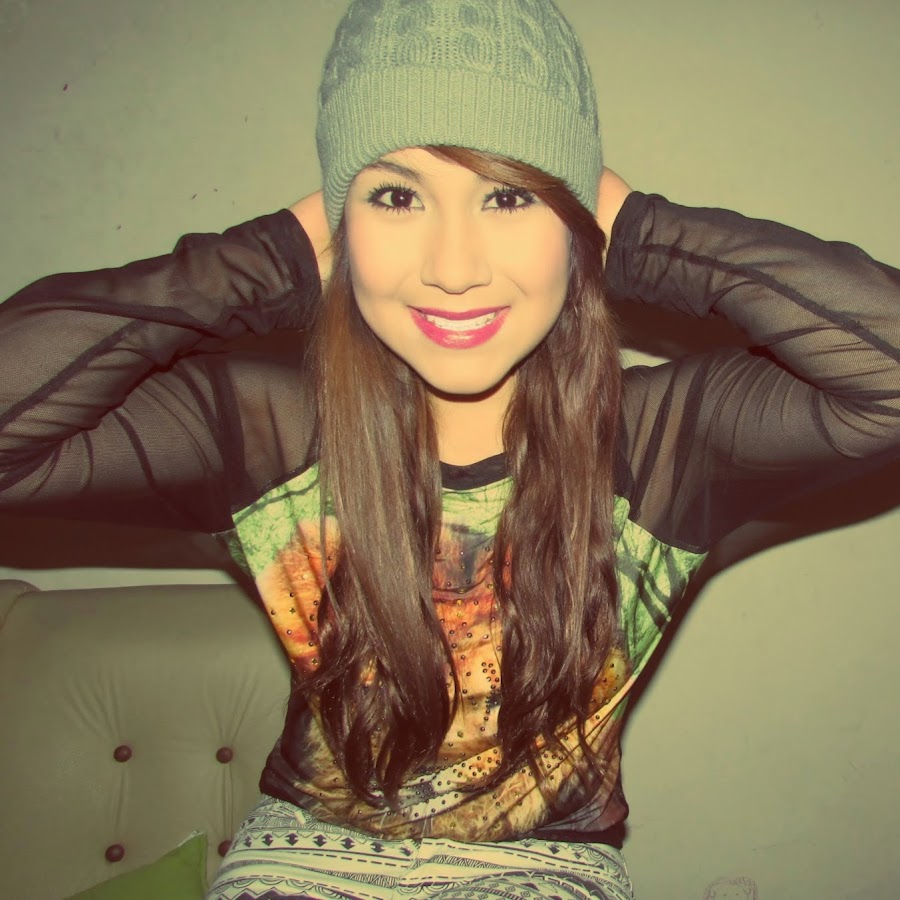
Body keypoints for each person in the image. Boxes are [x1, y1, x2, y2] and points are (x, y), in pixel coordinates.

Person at [1, 0, 898, 898]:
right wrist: (267, 259)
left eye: (509, 196)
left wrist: (635, 229)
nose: (455, 267)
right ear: (339, 224)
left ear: (575, 220)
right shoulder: (260, 434)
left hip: (543, 863)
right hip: (304, 852)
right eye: (396, 197)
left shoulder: (666, 445)